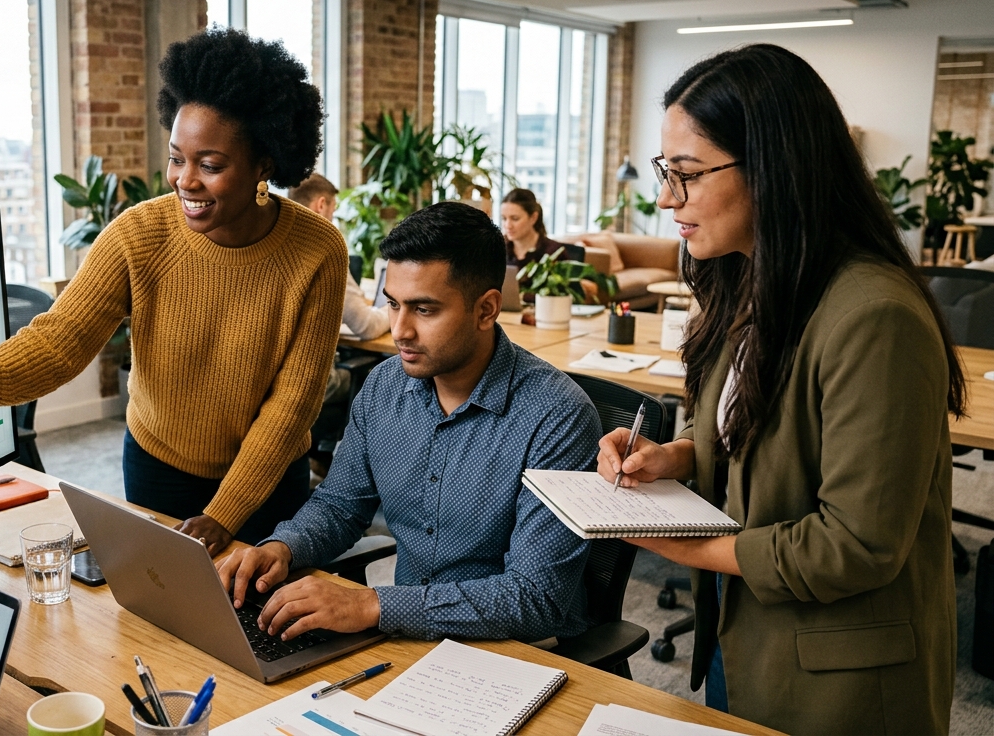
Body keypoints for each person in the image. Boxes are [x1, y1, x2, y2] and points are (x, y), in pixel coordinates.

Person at [596, 44, 961, 735]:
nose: (667, 198)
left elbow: (857, 544)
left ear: (774, 168)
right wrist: (675, 456)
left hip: (843, 679)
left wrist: (679, 544)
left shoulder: (873, 315)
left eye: (689, 175)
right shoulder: (752, 280)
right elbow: (745, 429)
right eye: (665, 172)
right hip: (746, 632)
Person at [0, 28, 347, 556]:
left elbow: (292, 406)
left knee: (259, 624)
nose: (184, 180)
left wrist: (224, 515)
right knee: (161, 619)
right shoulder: (140, 235)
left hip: (268, 481)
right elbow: (59, 341)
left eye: (211, 165)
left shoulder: (318, 251)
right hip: (160, 467)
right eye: (177, 158)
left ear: (265, 164)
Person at [217, 202, 602, 643]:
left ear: (486, 309)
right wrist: (283, 548)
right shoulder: (384, 385)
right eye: (394, 305)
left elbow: (534, 598)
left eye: (424, 310)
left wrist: (372, 604)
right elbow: (341, 505)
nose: (399, 330)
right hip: (406, 635)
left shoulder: (556, 415)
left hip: (521, 651)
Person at [289, 173, 389, 342]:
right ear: (321, 205)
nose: (332, 219)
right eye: (333, 211)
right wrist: (394, 308)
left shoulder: (274, 244)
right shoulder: (323, 251)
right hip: (315, 366)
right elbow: (367, 326)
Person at [500, 188, 568, 271]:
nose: (508, 225)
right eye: (504, 218)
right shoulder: (498, 250)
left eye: (515, 218)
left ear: (533, 218)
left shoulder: (553, 253)